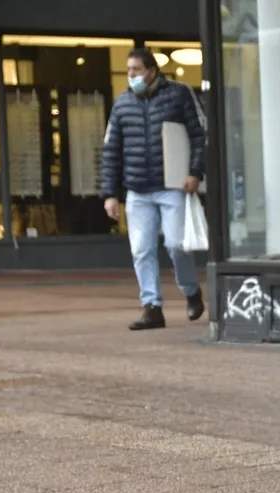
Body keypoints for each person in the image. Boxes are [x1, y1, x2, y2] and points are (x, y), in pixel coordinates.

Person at [101, 47, 206, 331]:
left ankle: (191, 291)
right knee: (142, 250)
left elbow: (199, 135)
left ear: (151, 71)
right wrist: (110, 194)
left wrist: (195, 172)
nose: (131, 75)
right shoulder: (122, 104)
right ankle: (152, 307)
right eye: (128, 70)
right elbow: (111, 150)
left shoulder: (179, 94)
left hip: (172, 185)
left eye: (136, 70)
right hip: (137, 190)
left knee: (176, 244)